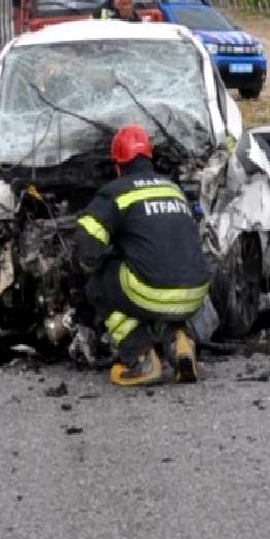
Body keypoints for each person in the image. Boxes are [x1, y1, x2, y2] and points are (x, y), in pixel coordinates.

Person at [74, 125, 210, 387]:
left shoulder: (117, 192)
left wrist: (87, 265)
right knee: (154, 276)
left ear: (118, 165)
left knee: (101, 285)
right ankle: (179, 341)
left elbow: (88, 244)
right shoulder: (174, 189)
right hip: (196, 292)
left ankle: (140, 358)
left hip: (152, 290)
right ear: (149, 157)